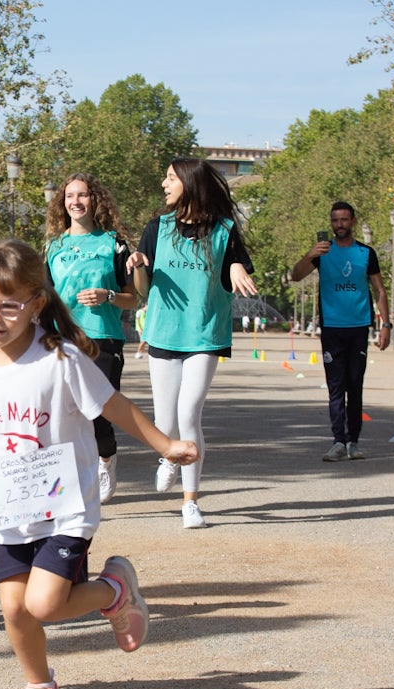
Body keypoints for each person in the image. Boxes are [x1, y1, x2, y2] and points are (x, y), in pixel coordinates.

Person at [0, 239, 198, 689]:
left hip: (65, 505)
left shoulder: (59, 357)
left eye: (8, 305)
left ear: (36, 304)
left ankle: (112, 590)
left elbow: (114, 406)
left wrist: (165, 444)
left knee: (43, 604)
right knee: (15, 609)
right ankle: (40, 688)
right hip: (7, 507)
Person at [128, 157, 257, 529]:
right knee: (165, 420)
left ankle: (190, 502)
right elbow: (143, 292)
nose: (164, 184)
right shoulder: (157, 227)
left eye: (170, 178)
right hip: (164, 333)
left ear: (189, 182)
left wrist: (234, 265)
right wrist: (137, 265)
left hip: (205, 333)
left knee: (189, 414)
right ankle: (168, 456)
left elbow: (237, 265)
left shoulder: (224, 230)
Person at [44, 173, 136, 504]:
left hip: (103, 338)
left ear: (94, 200)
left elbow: (133, 298)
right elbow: (43, 296)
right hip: (61, 339)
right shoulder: (54, 246)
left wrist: (108, 295)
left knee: (99, 413)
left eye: (83, 195)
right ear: (62, 202)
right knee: (63, 415)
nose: (76, 201)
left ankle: (106, 459)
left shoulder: (114, 242)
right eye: (70, 196)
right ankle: (70, 482)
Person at [290, 201, 391, 461]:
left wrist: (386, 324)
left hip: (358, 328)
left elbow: (379, 290)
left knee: (355, 386)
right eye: (335, 220)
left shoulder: (366, 253)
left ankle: (354, 443)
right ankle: (337, 441)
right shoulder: (322, 253)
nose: (339, 225)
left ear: (353, 222)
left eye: (344, 220)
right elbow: (296, 276)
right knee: (336, 388)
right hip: (332, 328)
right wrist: (310, 254)